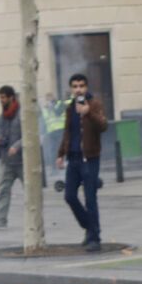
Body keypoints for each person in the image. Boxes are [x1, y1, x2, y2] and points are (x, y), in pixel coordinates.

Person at [55, 72, 107, 252]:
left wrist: (88, 112)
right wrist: (61, 153)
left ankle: (94, 238)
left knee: (90, 198)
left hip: (90, 158)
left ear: (86, 87)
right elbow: (67, 132)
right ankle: (90, 226)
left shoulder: (95, 104)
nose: (78, 89)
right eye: (75, 86)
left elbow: (103, 126)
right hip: (73, 158)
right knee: (69, 196)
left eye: (81, 86)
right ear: (71, 89)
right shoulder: (70, 108)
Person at [0, 86, 20, 228]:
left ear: (11, 97)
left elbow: (28, 135)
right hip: (7, 161)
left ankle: (35, 220)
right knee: (4, 190)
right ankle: (1, 220)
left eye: (3, 97)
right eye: (0, 98)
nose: (1, 101)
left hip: (22, 161)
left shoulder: (21, 113)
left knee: (31, 192)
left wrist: (16, 146)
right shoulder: (3, 116)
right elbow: (2, 134)